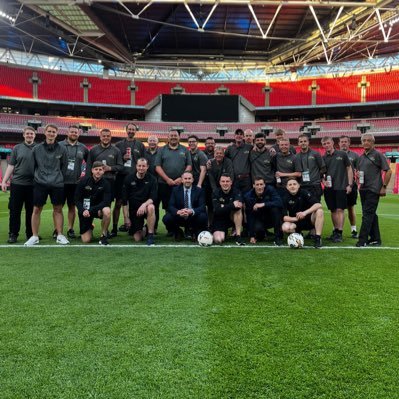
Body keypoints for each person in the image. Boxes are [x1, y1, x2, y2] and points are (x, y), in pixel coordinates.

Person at [24, 124, 69, 246]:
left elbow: (64, 167)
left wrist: (58, 177)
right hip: (40, 183)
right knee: (36, 209)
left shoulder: (62, 149)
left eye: (53, 132)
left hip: (57, 183)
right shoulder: (36, 149)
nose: (51, 133)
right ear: (45, 132)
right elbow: (32, 167)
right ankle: (34, 236)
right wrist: (39, 178)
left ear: (56, 133)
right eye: (49, 131)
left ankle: (59, 235)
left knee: (58, 209)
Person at [1, 126, 36, 243]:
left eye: (31, 134)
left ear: (34, 135)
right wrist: (4, 181)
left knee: (31, 211)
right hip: (17, 184)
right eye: (28, 134)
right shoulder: (17, 148)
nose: (29, 135)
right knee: (15, 211)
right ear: (24, 135)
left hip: (33, 185)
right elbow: (11, 166)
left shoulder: (38, 148)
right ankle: (13, 234)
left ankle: (31, 234)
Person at [86, 128, 123, 237]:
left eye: (108, 136)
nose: (106, 138)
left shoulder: (116, 150)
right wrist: (88, 181)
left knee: (107, 206)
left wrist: (109, 168)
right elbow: (89, 167)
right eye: (104, 136)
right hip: (94, 182)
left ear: (110, 137)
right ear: (100, 137)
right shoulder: (93, 150)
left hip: (110, 182)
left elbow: (120, 167)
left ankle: (105, 231)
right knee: (91, 203)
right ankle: (89, 227)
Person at [356, 133, 391, 247]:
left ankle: (362, 240)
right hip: (363, 189)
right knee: (371, 214)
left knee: (367, 214)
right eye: (364, 140)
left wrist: (384, 186)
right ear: (361, 142)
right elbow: (359, 173)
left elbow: (388, 171)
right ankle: (376, 239)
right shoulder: (360, 158)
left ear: (373, 142)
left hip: (373, 189)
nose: (366, 142)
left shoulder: (378, 155)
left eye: (369, 140)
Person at [114, 122, 145, 235]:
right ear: (126, 130)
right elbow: (114, 161)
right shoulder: (118, 145)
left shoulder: (140, 145)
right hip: (121, 177)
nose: (131, 131)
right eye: (129, 129)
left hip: (135, 178)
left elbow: (143, 161)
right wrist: (122, 158)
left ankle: (131, 225)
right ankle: (114, 228)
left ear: (135, 131)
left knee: (133, 202)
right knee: (119, 202)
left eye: (133, 129)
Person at [321, 136, 353, 243]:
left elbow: (349, 169)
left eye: (328, 143)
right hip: (329, 188)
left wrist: (349, 184)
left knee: (340, 210)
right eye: (324, 144)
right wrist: (323, 181)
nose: (326, 145)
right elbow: (322, 173)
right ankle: (335, 231)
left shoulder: (342, 154)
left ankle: (339, 232)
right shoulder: (323, 157)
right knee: (333, 210)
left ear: (333, 143)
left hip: (341, 186)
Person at [59, 125, 88, 239]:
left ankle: (70, 228)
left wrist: (85, 175)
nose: (74, 134)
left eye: (76, 132)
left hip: (75, 183)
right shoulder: (59, 145)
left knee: (72, 207)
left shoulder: (83, 147)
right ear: (67, 132)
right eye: (72, 132)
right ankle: (58, 229)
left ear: (78, 134)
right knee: (58, 207)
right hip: (60, 182)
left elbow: (89, 162)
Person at [155, 130, 192, 216]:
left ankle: (182, 225)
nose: (173, 137)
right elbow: (157, 166)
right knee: (167, 206)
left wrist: (181, 178)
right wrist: (167, 179)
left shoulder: (185, 149)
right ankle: (171, 227)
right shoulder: (161, 150)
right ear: (168, 137)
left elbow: (189, 166)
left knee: (181, 205)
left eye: (175, 135)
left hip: (180, 184)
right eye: (171, 135)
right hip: (164, 184)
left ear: (179, 137)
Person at [122, 158, 157, 246]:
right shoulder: (129, 178)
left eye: (143, 166)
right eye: (139, 166)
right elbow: (124, 201)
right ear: (136, 166)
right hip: (134, 210)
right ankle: (145, 228)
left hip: (146, 208)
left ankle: (150, 235)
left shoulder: (152, 179)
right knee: (137, 238)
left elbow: (153, 198)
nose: (141, 168)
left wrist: (144, 205)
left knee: (151, 207)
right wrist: (126, 217)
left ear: (147, 167)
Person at [75, 161, 112, 245]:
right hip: (85, 210)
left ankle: (104, 235)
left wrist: (92, 210)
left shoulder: (106, 184)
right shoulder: (83, 181)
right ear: (92, 170)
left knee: (107, 211)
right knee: (86, 240)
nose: (98, 171)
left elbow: (106, 201)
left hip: (98, 210)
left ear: (103, 171)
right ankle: (90, 226)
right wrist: (83, 210)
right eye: (96, 169)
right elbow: (77, 199)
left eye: (100, 169)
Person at [162, 171, 207, 241]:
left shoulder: (199, 191)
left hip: (193, 217)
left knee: (203, 216)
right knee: (167, 218)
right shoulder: (175, 190)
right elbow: (170, 206)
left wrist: (191, 211)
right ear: (182, 180)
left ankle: (194, 232)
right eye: (185, 178)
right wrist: (178, 212)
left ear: (192, 180)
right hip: (180, 216)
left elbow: (202, 207)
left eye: (189, 178)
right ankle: (178, 232)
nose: (187, 180)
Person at [281, 178, 324, 248]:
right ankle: (298, 235)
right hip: (296, 221)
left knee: (320, 211)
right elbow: (284, 217)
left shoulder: (304, 193)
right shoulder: (285, 197)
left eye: (294, 184)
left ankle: (317, 238)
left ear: (299, 185)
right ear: (287, 187)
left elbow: (318, 204)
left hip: (309, 220)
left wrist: (304, 213)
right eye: (290, 185)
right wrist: (296, 218)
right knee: (285, 227)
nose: (292, 186)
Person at [244, 177, 284, 245]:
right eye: (257, 185)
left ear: (264, 185)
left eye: (261, 184)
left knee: (275, 209)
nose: (259, 187)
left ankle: (277, 236)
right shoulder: (248, 196)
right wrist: (252, 235)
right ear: (253, 185)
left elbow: (279, 203)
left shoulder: (271, 190)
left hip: (271, 218)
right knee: (258, 232)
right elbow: (250, 216)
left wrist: (263, 204)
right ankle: (262, 233)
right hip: (259, 219)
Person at [212, 174, 245, 245]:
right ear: (220, 183)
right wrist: (232, 205)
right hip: (220, 218)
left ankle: (238, 236)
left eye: (227, 181)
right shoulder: (216, 192)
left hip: (231, 217)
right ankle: (224, 233)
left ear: (231, 182)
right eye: (223, 181)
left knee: (238, 210)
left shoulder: (236, 191)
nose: (225, 183)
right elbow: (217, 210)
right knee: (218, 240)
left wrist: (223, 206)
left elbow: (238, 206)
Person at [338, 135, 360, 238]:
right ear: (338, 144)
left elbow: (359, 170)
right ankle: (336, 230)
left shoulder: (355, 156)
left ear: (349, 143)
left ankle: (353, 230)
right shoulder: (335, 155)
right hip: (338, 186)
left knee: (350, 208)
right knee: (337, 209)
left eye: (345, 141)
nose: (343, 143)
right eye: (341, 142)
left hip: (351, 186)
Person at [295, 134, 325, 202]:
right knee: (304, 208)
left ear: (308, 142)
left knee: (316, 207)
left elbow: (323, 168)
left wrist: (318, 178)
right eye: (301, 141)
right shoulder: (296, 156)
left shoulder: (316, 154)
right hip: (302, 185)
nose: (303, 143)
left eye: (305, 141)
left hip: (315, 185)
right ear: (298, 143)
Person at [224, 128, 252, 195]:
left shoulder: (249, 147)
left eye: (241, 134)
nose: (239, 136)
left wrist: (271, 149)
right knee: (236, 200)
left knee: (247, 200)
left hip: (246, 179)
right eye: (237, 134)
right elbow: (221, 158)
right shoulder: (230, 148)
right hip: (235, 179)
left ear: (243, 136)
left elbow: (260, 149)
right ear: (234, 136)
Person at [145, 135, 160, 231]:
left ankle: (154, 227)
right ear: (148, 142)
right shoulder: (143, 152)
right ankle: (141, 226)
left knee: (156, 206)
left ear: (157, 142)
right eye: (150, 140)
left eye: (154, 141)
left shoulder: (161, 152)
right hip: (145, 183)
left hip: (159, 183)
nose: (152, 142)